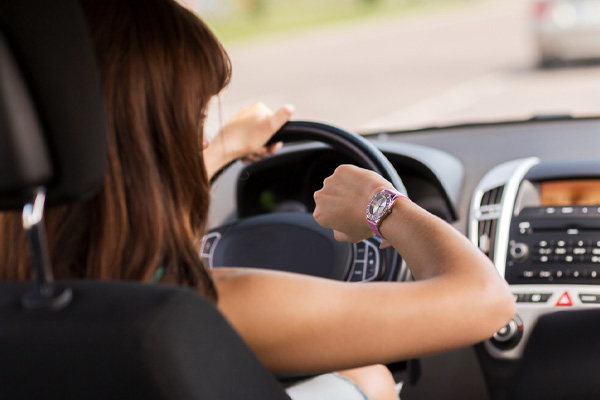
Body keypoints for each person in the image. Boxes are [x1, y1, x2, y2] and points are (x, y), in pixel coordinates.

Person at [0, 0, 516, 399]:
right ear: (152, 144)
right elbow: (484, 300)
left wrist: (222, 148)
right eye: (196, 123)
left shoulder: (26, 294)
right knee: (370, 377)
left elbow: (118, 195)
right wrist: (382, 205)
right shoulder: (205, 308)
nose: (200, 139)